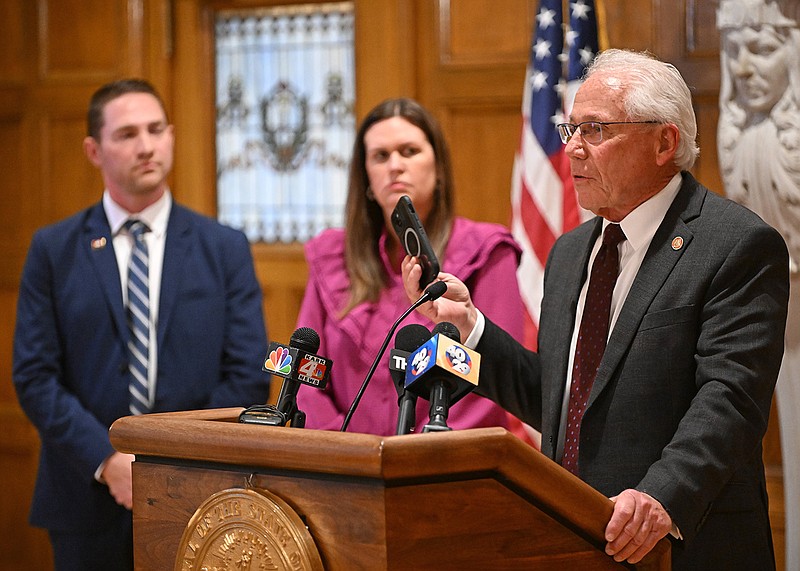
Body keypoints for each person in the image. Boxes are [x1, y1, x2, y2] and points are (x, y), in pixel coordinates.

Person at [402, 49, 789, 570]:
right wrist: (467, 327)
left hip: (682, 547)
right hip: (575, 541)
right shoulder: (569, 253)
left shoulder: (736, 245)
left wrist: (661, 497)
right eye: (571, 131)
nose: (574, 150)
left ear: (664, 141)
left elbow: (731, 402)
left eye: (596, 130)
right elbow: (563, 403)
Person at [12, 79, 270, 570]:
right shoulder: (54, 249)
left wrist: (171, 461)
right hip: (85, 500)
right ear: (94, 149)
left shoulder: (223, 247)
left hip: (200, 497)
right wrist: (107, 461)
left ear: (171, 136)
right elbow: (35, 376)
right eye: (127, 134)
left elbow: (246, 374)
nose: (147, 146)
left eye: (156, 130)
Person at [295, 97, 525, 436]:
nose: (395, 166)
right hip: (343, 466)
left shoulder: (487, 252)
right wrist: (345, 452)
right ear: (367, 179)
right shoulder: (332, 256)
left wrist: (415, 455)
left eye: (409, 151)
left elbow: (493, 383)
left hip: (445, 468)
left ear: (439, 169)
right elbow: (307, 374)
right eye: (380, 156)